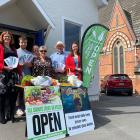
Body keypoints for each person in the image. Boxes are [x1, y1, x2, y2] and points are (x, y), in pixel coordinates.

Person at [0, 31, 21, 124]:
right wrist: (4, 67)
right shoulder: (0, 47)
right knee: (2, 96)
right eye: (5, 36)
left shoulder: (14, 49)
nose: (7, 38)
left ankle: (11, 115)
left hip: (13, 75)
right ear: (2, 37)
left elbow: (16, 62)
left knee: (12, 96)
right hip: (3, 74)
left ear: (11, 38)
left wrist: (20, 73)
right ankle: (1, 116)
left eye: (9, 36)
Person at [16, 36, 33, 116]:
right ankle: (19, 108)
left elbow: (32, 65)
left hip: (28, 75)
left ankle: (27, 107)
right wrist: (20, 65)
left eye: (25, 42)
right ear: (19, 43)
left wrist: (30, 65)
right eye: (22, 42)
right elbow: (13, 64)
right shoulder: (16, 52)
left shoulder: (30, 53)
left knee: (28, 92)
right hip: (19, 75)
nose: (23, 43)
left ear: (26, 43)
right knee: (20, 92)